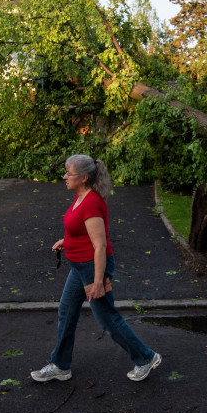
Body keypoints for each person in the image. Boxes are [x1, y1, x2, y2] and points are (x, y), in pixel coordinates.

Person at [31, 154, 161, 383]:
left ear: (83, 178)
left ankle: (145, 358)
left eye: (68, 173)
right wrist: (66, 241)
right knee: (66, 311)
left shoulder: (90, 202)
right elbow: (78, 228)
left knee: (107, 319)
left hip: (93, 269)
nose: (64, 177)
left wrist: (99, 281)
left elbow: (99, 245)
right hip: (80, 268)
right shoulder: (81, 197)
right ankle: (61, 366)